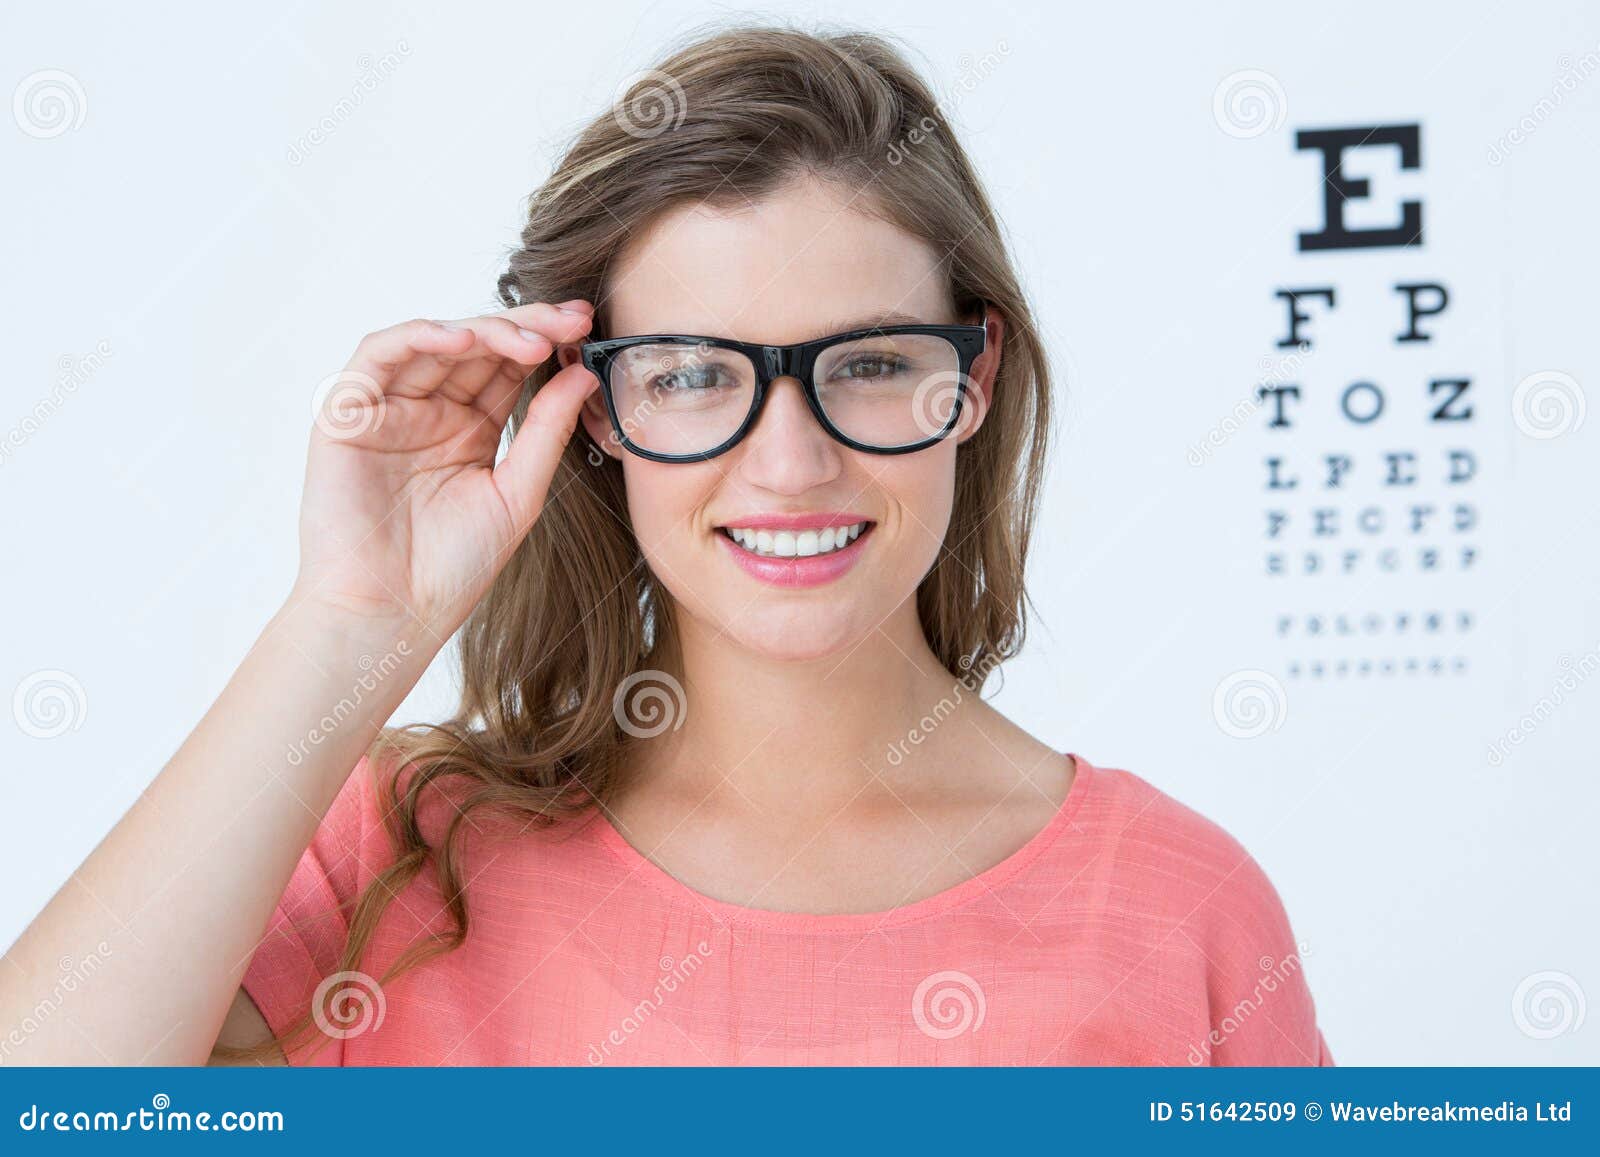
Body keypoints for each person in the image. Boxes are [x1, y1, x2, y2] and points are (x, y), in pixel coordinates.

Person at [0, 22, 1331, 1066]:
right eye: (695, 375)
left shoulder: (1179, 913)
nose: (791, 464)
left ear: (972, 377)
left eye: (869, 362)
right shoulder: (397, 858)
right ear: (597, 410)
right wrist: (348, 620)